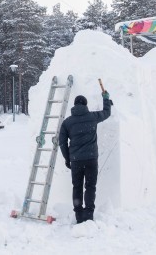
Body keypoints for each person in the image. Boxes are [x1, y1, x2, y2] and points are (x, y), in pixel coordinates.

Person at [58, 91, 112, 224]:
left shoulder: (67, 122)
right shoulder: (93, 117)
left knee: (77, 187)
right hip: (91, 159)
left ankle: (78, 215)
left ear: (75, 105)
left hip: (76, 160)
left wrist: (67, 158)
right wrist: (106, 99)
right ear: (86, 105)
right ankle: (88, 215)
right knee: (90, 187)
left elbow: (62, 142)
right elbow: (106, 113)